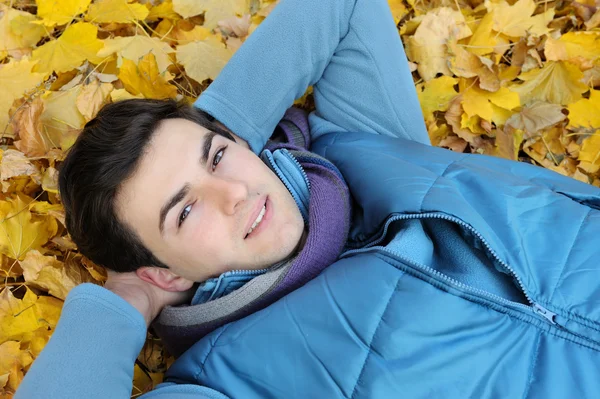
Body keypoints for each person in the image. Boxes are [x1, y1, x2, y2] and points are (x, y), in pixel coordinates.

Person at [15, 0, 600, 396]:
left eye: (218, 159)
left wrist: (208, 131)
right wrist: (121, 304)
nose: (235, 194)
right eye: (185, 210)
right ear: (162, 274)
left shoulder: (356, 150)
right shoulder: (231, 381)